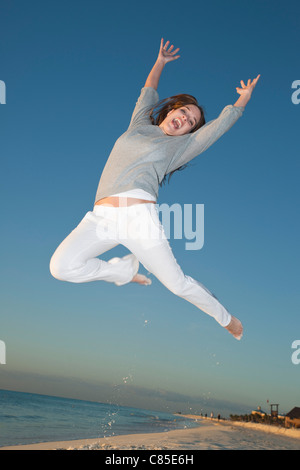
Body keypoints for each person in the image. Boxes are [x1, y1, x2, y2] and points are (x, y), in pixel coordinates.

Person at [50, 39, 260, 340]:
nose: (186, 119)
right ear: (171, 111)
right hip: (100, 218)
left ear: (189, 132)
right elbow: (148, 93)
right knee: (61, 267)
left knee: (177, 284)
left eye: (191, 122)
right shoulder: (139, 125)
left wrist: (242, 100)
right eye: (185, 112)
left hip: (139, 219)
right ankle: (120, 272)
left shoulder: (180, 147)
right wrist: (160, 61)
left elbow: (217, 129)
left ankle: (227, 319)